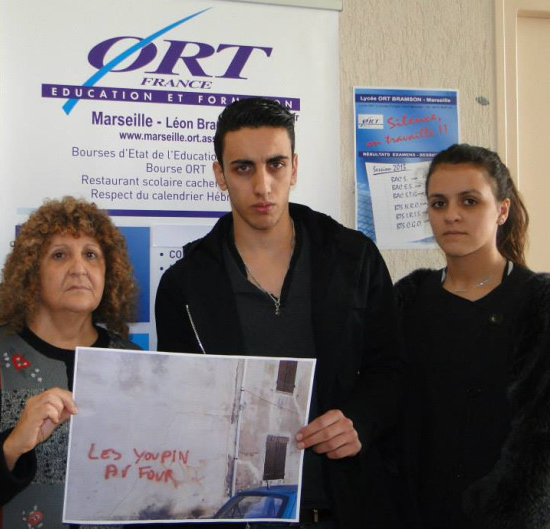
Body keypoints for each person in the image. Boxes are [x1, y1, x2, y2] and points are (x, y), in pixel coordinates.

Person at [155, 97, 404, 528]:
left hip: (345, 504)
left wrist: (360, 419)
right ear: (220, 175)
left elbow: (394, 367)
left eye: (276, 164)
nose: (263, 186)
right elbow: (182, 407)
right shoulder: (184, 285)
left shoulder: (353, 258)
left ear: (295, 167)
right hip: (235, 513)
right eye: (243, 168)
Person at [0, 197, 140, 528]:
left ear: (108, 274)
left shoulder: (135, 364)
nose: (79, 268)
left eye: (91, 255)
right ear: (31, 271)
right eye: (59, 254)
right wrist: (12, 446)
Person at [394, 144, 550, 528]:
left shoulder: (538, 302)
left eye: (469, 201)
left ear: (502, 209)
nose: (452, 216)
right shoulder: (408, 300)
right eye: (438, 203)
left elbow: (541, 436)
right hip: (417, 512)